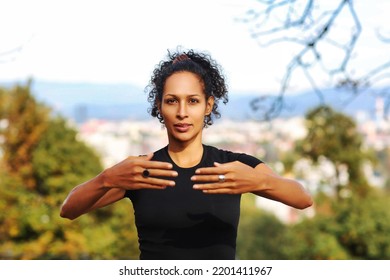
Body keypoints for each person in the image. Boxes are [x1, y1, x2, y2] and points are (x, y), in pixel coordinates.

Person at [60, 48, 313, 260]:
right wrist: (107, 178)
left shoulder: (232, 166)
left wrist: (260, 181)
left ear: (208, 105)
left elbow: (303, 199)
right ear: (159, 105)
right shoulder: (142, 171)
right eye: (172, 101)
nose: (182, 112)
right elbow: (69, 210)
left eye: (192, 101)